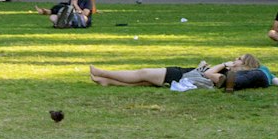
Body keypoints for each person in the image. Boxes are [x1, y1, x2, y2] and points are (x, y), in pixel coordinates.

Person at [89, 55, 259, 88]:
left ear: (244, 63)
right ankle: (107, 81)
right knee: (143, 82)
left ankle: (103, 72)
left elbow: (208, 74)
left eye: (239, 58)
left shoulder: (229, 71)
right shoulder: (235, 76)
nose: (235, 57)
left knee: (141, 73)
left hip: (179, 75)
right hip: (184, 77)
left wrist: (223, 63)